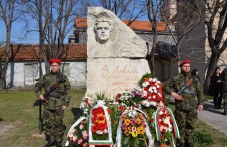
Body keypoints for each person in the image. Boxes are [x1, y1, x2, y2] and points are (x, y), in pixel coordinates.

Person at [163, 59, 204, 147]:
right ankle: (181, 141)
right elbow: (165, 86)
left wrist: (201, 103)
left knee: (191, 124)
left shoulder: (194, 79)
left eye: (188, 66)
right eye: (185, 66)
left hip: (192, 105)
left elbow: (200, 91)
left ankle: (189, 141)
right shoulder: (176, 77)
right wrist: (172, 93)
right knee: (180, 124)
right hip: (180, 105)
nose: (187, 68)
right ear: (181, 67)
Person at [35, 58, 71, 147]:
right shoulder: (45, 77)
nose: (54, 67)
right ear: (50, 66)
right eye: (52, 65)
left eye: (56, 65)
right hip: (48, 103)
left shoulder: (63, 78)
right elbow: (37, 86)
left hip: (59, 104)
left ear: (59, 66)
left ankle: (58, 140)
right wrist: (39, 95)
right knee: (49, 123)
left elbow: (68, 91)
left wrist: (66, 103)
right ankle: (51, 140)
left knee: (58, 123)